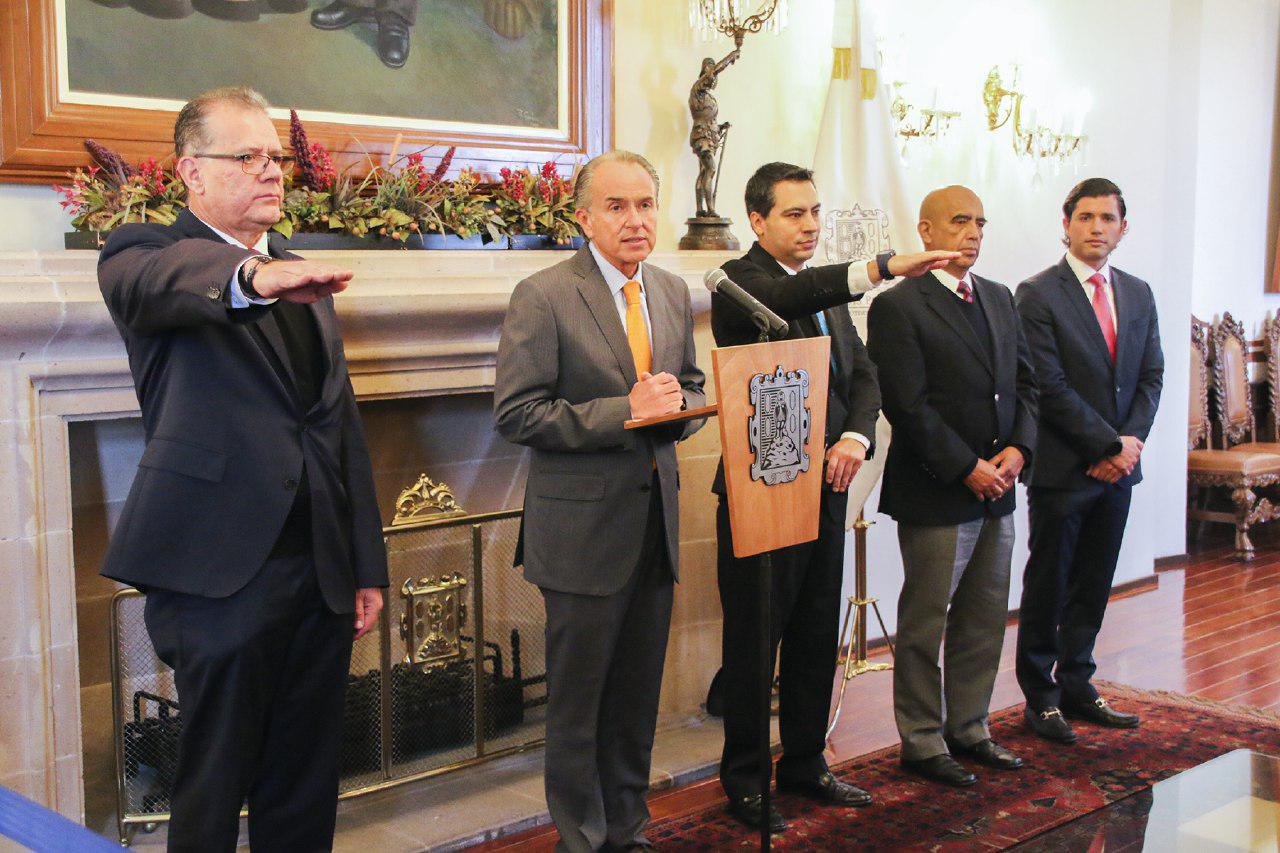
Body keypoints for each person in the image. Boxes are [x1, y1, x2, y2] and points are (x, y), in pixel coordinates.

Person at [96, 86, 388, 851]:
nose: (270, 170)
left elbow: (337, 428)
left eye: (275, 156)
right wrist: (250, 278)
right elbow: (157, 285)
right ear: (191, 170)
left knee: (304, 779)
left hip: (318, 570)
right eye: (246, 156)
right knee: (214, 780)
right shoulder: (142, 252)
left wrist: (366, 562)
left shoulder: (298, 272)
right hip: (218, 574)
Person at [707, 161, 956, 832]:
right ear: (757, 220)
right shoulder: (739, 283)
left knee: (818, 630)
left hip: (827, 487)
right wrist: (880, 265)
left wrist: (854, 434)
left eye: (816, 211)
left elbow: (863, 372)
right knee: (758, 639)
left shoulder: (825, 291)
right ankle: (747, 778)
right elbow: (790, 302)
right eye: (794, 214)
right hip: (764, 491)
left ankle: (806, 761)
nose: (811, 224)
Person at [494, 150, 706, 852]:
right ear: (583, 217)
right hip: (583, 535)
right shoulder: (546, 293)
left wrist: (683, 406)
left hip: (655, 528)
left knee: (636, 699)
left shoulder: (673, 290)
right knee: (580, 704)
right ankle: (579, 838)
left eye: (646, 203)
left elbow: (694, 385)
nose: (636, 220)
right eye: (617, 206)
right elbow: (518, 414)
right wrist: (626, 410)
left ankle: (627, 828)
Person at [867, 185, 1038, 788]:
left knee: (986, 616)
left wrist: (1019, 449)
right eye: (960, 221)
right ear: (926, 231)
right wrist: (968, 467)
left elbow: (1025, 385)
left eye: (981, 223)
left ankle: (970, 728)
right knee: (926, 621)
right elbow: (906, 406)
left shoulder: (998, 297)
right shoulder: (899, 305)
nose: (973, 232)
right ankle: (921, 739)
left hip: (1001, 487)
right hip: (939, 490)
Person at [1014, 178, 1164, 743]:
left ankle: (1078, 682)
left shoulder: (1139, 293)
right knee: (1049, 582)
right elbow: (1047, 386)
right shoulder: (1037, 294)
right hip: (1063, 469)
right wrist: (1107, 447)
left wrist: (1129, 447)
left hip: (1119, 470)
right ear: (1066, 224)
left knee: (1095, 581)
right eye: (1085, 217)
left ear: (1123, 228)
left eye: (1107, 218)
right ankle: (1041, 697)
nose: (1096, 227)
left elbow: (1151, 376)